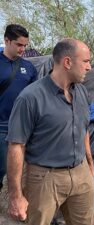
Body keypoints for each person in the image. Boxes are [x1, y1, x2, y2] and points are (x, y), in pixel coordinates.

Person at [6, 38, 94, 225]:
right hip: (45, 178)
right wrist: (16, 196)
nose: (90, 67)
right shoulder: (30, 98)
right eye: (86, 61)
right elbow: (16, 146)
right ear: (67, 62)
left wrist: (89, 164)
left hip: (81, 174)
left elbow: (83, 127)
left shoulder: (82, 92)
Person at [0, 24, 38, 191]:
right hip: (1, 127)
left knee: (26, 169)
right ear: (7, 41)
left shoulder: (29, 68)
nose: (23, 49)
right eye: (19, 44)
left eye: (25, 45)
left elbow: (36, 97)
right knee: (1, 169)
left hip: (23, 127)